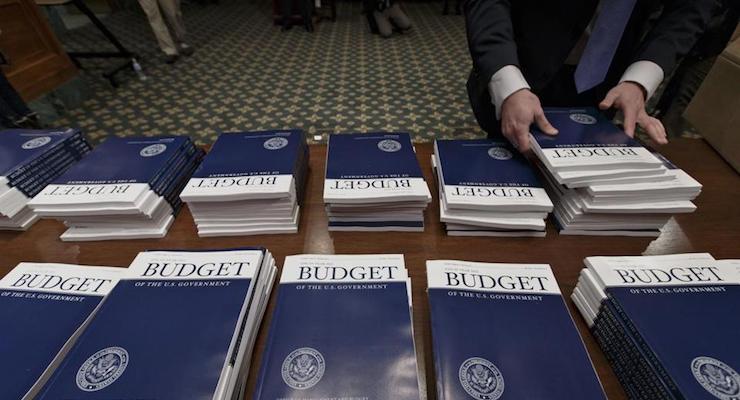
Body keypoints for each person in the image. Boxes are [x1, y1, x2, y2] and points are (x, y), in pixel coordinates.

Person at [464, 0, 720, 151]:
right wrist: (508, 82)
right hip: (521, 64)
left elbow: (691, 8)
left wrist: (640, 80)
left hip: (609, 82)